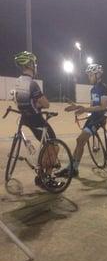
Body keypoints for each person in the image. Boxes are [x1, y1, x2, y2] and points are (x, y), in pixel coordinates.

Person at [14, 51, 62, 189]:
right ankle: (46, 177)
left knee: (46, 147)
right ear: (29, 65)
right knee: (54, 147)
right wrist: (39, 103)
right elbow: (46, 104)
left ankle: (40, 175)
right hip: (37, 120)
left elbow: (23, 102)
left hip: (26, 119)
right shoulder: (32, 84)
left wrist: (35, 103)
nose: (36, 66)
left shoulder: (18, 82)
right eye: (34, 63)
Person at [59, 63, 107, 177]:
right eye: (88, 75)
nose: (89, 77)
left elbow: (103, 106)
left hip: (101, 118)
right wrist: (78, 108)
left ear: (98, 75)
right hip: (94, 117)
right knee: (79, 141)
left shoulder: (103, 88)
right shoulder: (93, 90)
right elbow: (92, 106)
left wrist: (84, 109)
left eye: (91, 75)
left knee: (81, 139)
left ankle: (73, 169)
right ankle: (72, 167)